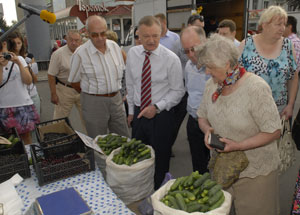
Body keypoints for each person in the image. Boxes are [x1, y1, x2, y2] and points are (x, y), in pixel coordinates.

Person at [197, 34, 281, 215]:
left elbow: (274, 131)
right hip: (224, 169)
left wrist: (238, 146)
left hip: (255, 173)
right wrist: (207, 131)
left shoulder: (256, 88)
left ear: (227, 64)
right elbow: (202, 117)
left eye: (210, 67)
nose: (206, 72)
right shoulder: (212, 86)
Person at [126, 16, 185, 189]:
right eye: (146, 36)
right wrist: (131, 112)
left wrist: (157, 107)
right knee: (138, 157)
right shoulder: (132, 54)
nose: (151, 40)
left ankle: (159, 195)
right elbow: (130, 85)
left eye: (155, 36)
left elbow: (178, 91)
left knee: (161, 159)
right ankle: (140, 191)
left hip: (161, 116)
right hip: (138, 113)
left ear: (161, 34)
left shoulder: (171, 59)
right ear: (138, 35)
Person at [68, 15, 129, 138]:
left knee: (123, 138)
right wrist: (93, 94)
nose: (100, 38)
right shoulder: (80, 54)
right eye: (95, 35)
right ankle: (99, 158)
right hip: (93, 103)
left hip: (116, 100)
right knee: (98, 141)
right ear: (87, 33)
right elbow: (74, 82)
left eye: (103, 33)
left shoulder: (115, 47)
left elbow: (122, 72)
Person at [239, 5, 298, 120]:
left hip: (279, 110)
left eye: (284, 24)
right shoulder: (246, 45)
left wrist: (290, 105)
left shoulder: (288, 46)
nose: (282, 28)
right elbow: (235, 76)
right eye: (278, 24)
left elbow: (293, 77)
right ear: (264, 25)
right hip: (249, 110)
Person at [180, 26, 210, 174]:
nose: (191, 55)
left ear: (204, 42)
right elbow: (189, 92)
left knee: (217, 167)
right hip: (193, 122)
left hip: (213, 125)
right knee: (198, 168)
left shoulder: (217, 66)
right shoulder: (188, 67)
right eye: (186, 51)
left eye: (194, 48)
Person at [0, 33, 39, 145]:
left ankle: (30, 159)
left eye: (6, 46)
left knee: (26, 137)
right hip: (4, 106)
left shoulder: (20, 59)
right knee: (10, 140)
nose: (4, 50)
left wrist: (18, 63)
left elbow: (28, 80)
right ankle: (20, 160)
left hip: (22, 103)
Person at [48, 30, 86, 130]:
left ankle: (91, 142)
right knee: (59, 121)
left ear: (81, 41)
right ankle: (58, 142)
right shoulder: (58, 54)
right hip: (65, 89)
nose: (74, 42)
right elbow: (51, 75)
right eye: (71, 40)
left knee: (88, 119)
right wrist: (53, 94)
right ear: (66, 40)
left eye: (76, 40)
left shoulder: (85, 52)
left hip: (83, 90)